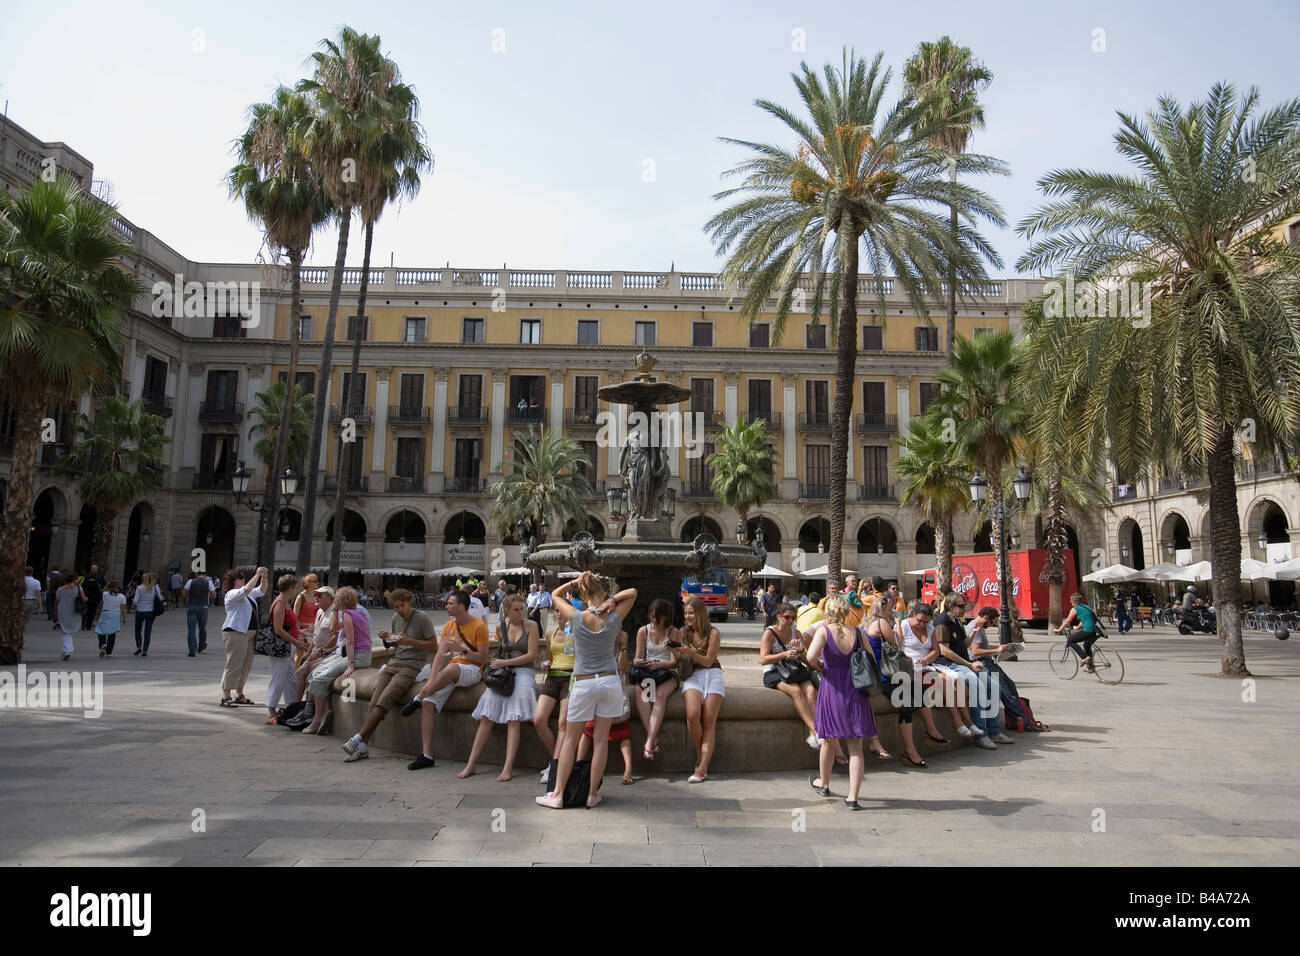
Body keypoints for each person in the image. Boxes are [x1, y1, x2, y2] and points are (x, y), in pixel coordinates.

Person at [536, 573, 637, 809]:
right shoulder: (613, 617)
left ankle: (558, 794)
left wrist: (574, 581)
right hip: (610, 682)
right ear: (603, 592)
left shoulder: (576, 617)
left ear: (583, 594)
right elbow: (632, 593)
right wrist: (611, 601)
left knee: (571, 739)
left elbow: (554, 595)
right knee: (601, 741)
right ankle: (592, 794)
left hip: (583, 682)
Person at [340, 587, 436, 761]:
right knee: (374, 702)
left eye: (402, 606)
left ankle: (358, 738)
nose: (400, 610)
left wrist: (410, 641)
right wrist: (388, 639)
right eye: (396, 607)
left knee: (385, 701)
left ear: (409, 602)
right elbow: (397, 644)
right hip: (393, 663)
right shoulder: (395, 618)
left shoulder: (422, 618)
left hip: (411, 666)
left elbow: (433, 646)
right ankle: (362, 746)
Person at [402, 590, 490, 771]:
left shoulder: (479, 626)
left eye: (450, 603)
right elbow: (439, 655)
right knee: (428, 702)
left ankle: (417, 697)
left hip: (472, 670)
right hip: (452, 671)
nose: (446, 606)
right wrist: (431, 678)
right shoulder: (449, 626)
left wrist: (461, 649)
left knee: (450, 669)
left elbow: (483, 659)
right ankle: (427, 755)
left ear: (460, 606)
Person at [458, 593, 540, 781]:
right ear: (507, 611)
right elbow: (500, 651)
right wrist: (500, 663)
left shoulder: (532, 626)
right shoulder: (501, 627)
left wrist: (503, 663)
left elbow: (531, 656)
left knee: (514, 719)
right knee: (486, 717)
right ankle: (471, 764)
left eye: (522, 608)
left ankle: (507, 767)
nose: (521, 612)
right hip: (505, 674)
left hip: (524, 672)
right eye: (516, 610)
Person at [805, 592, 873, 809]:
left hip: (832, 686)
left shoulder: (824, 631)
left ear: (828, 611)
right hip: (856, 688)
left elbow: (810, 657)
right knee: (856, 747)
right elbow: (870, 658)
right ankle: (853, 797)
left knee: (828, 739)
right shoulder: (859, 633)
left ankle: (823, 782)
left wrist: (822, 666)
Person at [931, 592, 1009, 748]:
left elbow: (963, 645)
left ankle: (994, 731)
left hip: (963, 663)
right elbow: (944, 651)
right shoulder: (942, 623)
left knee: (993, 686)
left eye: (965, 605)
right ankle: (981, 735)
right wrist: (968, 664)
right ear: (950, 606)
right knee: (976, 685)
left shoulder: (957, 621)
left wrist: (973, 633)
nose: (964, 609)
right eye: (961, 606)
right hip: (949, 664)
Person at [861, 596, 927, 767]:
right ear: (882, 609)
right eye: (890, 608)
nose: (893, 611)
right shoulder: (881, 622)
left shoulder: (868, 622)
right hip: (882, 676)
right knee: (906, 703)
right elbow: (898, 643)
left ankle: (927, 735)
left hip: (882, 674)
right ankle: (910, 750)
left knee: (917, 690)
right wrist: (897, 624)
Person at [759, 602, 820, 750]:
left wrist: (800, 651)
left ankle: (816, 731)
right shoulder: (770, 633)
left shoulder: (796, 632)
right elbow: (763, 659)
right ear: (779, 617)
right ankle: (815, 730)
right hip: (774, 671)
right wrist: (784, 654)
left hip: (794, 670)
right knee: (796, 691)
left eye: (793, 618)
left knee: (811, 691)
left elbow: (805, 657)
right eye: (787, 618)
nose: (791, 621)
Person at [896, 601, 958, 747]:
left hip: (925, 666)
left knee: (950, 681)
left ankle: (958, 722)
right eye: (919, 620)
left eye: (925, 621)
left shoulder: (930, 628)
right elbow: (896, 647)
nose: (922, 624)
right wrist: (908, 659)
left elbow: (936, 651)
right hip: (908, 667)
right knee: (921, 689)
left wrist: (926, 659)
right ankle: (932, 729)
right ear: (913, 615)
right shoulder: (903, 625)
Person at [679, 594, 725, 784]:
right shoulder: (684, 633)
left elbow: (708, 661)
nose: (688, 617)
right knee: (692, 714)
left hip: (712, 674)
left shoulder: (713, 633)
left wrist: (690, 652)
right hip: (693, 676)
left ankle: (702, 768)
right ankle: (700, 752)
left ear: (700, 614)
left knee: (708, 720)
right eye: (686, 614)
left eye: (691, 613)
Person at [632, 598, 681, 761]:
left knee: (659, 695)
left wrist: (661, 664)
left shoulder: (673, 631)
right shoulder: (643, 631)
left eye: (657, 618)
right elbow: (636, 659)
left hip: (667, 673)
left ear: (666, 617)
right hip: (649, 675)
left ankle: (648, 742)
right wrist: (641, 662)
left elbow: (675, 662)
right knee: (639, 691)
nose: (654, 621)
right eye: (651, 617)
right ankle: (652, 740)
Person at [967, 606, 1029, 732]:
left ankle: (1019, 719)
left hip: (988, 662)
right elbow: (975, 651)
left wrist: (999, 647)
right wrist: (996, 650)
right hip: (984, 664)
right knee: (1005, 693)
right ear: (986, 618)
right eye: (992, 622)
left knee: (1010, 686)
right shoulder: (977, 627)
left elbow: (981, 646)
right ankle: (1021, 721)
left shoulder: (976, 625)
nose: (992, 625)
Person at [532, 612, 575, 781]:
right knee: (539, 719)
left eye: (562, 611)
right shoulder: (551, 632)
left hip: (571, 677)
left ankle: (555, 766)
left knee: (562, 723)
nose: (559, 614)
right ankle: (557, 760)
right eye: (556, 611)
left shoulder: (577, 632)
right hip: (553, 676)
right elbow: (551, 657)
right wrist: (546, 663)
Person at [219, 566, 267, 708]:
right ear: (234, 581)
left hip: (250, 634)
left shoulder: (249, 594)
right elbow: (245, 590)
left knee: (246, 665)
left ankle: (239, 693)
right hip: (235, 632)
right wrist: (257, 575)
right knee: (233, 665)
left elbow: (262, 590)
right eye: (241, 578)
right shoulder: (231, 593)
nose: (244, 580)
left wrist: (264, 577)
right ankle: (226, 696)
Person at [266, 575, 311, 725]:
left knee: (291, 677)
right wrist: (296, 642)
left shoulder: (285, 603)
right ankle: (271, 709)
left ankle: (292, 706)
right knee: (278, 678)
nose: (296, 590)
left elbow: (289, 626)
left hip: (288, 646)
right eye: (295, 587)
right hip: (282, 647)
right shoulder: (279, 604)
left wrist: (300, 633)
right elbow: (278, 629)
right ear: (290, 588)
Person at [1056, 592, 1101, 672]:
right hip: (1096, 631)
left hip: (1088, 630)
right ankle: (1090, 667)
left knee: (1070, 641)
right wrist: (1077, 628)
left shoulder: (1074, 609)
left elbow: (1066, 622)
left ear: (1073, 601)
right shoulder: (1087, 607)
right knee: (1086, 645)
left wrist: (1059, 630)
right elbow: (1084, 619)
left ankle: (1085, 658)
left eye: (1071, 601)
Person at [132, 572, 163, 657]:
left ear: (143, 579)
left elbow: (135, 600)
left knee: (138, 629)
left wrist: (134, 604)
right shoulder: (155, 587)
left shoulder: (140, 588)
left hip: (140, 610)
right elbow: (160, 598)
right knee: (148, 630)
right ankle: (145, 650)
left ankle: (139, 646)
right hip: (150, 611)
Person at [54, 573, 85, 661]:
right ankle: (67, 650)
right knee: (69, 630)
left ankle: (67, 650)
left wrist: (55, 612)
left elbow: (57, 600)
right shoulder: (79, 588)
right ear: (74, 579)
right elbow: (83, 598)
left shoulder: (60, 589)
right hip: (74, 610)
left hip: (63, 611)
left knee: (65, 630)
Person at [93, 580, 127, 657]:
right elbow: (123, 609)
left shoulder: (106, 594)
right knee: (112, 633)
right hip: (115, 614)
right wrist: (124, 617)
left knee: (101, 630)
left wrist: (107, 585)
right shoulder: (122, 597)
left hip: (106, 613)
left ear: (109, 587)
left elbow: (102, 591)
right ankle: (109, 651)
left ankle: (102, 644)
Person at [183, 570, 211, 656]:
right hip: (204, 607)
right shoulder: (208, 582)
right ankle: (201, 645)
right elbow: (214, 594)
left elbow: (184, 593)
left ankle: (192, 650)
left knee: (191, 629)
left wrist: (189, 595)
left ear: (197, 575)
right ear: (205, 575)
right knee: (202, 628)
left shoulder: (190, 581)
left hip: (192, 606)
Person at [81, 564, 105, 631]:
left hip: (87, 598)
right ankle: (88, 625)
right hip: (95, 599)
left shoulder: (86, 579)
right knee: (92, 612)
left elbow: (82, 588)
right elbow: (102, 588)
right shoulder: (99, 578)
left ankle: (84, 624)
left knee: (86, 611)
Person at [22, 566, 43, 632]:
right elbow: (38, 595)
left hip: (21, 601)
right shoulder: (36, 582)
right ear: (32, 572)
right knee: (25, 620)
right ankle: (22, 631)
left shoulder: (20, 581)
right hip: (31, 602)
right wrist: (40, 606)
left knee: (19, 619)